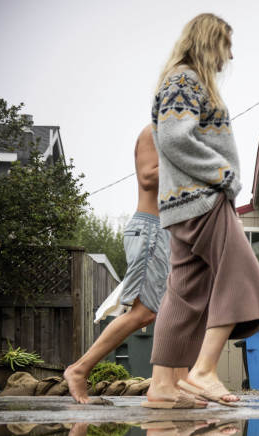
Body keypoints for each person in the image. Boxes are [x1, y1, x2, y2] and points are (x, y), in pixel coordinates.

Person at [146, 13, 259, 407]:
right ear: (209, 41)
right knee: (242, 274)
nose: (229, 56)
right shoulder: (186, 79)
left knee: (184, 292)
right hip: (201, 198)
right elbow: (172, 137)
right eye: (226, 45)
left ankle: (162, 386)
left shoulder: (180, 79)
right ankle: (203, 370)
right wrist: (224, 174)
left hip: (181, 203)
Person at [64, 126, 193, 404]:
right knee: (143, 313)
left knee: (176, 312)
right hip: (150, 230)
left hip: (170, 233)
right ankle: (79, 369)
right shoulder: (154, 133)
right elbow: (148, 178)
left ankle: (181, 385)